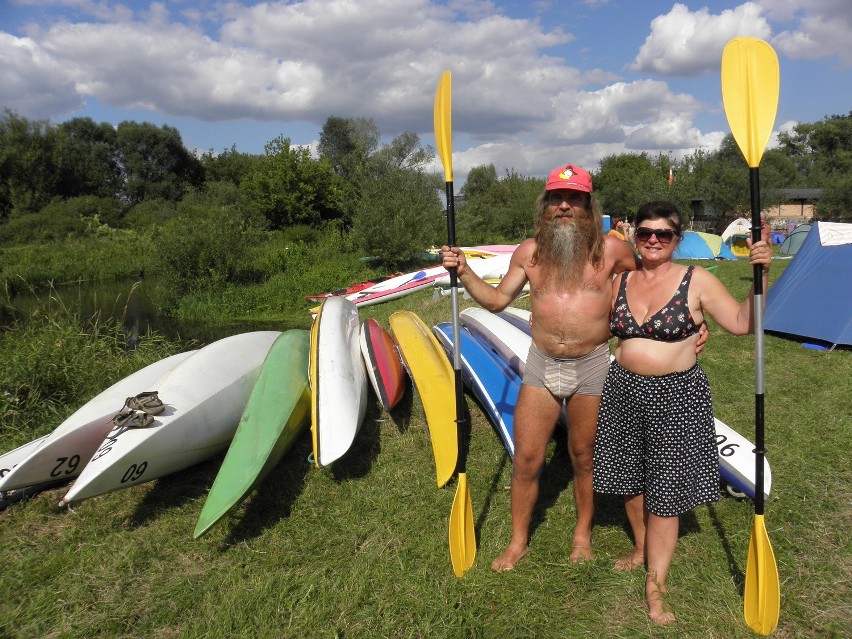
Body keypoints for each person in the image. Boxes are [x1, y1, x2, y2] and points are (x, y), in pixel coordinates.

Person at [441, 163, 642, 570]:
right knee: (528, 459)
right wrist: (464, 272)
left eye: (574, 199)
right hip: (541, 364)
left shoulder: (613, 250)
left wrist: (688, 326)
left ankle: (582, 535)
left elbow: (648, 289)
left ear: (589, 204)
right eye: (557, 198)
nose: (564, 206)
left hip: (593, 366)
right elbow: (498, 301)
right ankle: (518, 542)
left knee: (584, 456)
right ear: (545, 205)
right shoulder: (530, 252)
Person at [593, 200, 772, 625]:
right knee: (628, 479)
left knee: (666, 495)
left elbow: (743, 322)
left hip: (676, 396)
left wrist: (760, 274)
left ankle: (656, 590)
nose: (653, 240)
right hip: (623, 390)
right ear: (633, 235)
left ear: (677, 239)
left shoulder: (698, 280)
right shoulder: (621, 280)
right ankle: (641, 547)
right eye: (645, 233)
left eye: (663, 234)